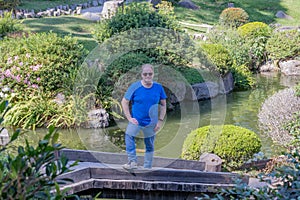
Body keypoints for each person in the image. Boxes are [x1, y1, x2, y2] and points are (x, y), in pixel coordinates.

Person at [121, 64, 167, 169]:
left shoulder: (158, 88)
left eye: (150, 74)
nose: (148, 76)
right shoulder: (135, 87)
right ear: (141, 75)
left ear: (153, 74)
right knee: (129, 135)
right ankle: (132, 162)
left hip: (151, 122)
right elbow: (124, 102)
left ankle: (147, 167)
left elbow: (164, 105)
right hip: (136, 120)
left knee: (149, 145)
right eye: (145, 74)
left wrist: (160, 121)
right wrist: (129, 118)